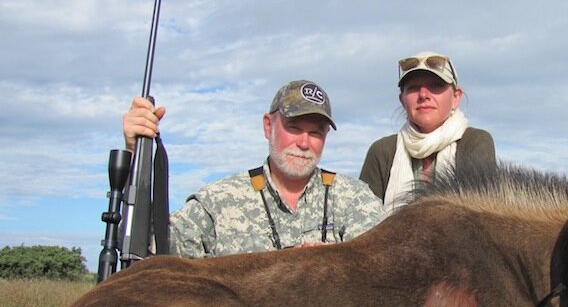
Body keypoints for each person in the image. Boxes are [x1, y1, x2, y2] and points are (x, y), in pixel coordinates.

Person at [123, 80, 386, 257]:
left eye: (316, 133)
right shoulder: (219, 202)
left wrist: (331, 263)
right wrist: (135, 153)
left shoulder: (355, 199)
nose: (304, 143)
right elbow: (154, 248)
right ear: (268, 127)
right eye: (293, 128)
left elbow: (386, 265)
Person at [359, 51, 496, 210]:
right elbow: (364, 221)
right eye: (413, 88)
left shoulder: (475, 141)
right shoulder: (382, 151)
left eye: (436, 86)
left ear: (456, 97)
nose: (423, 95)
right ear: (402, 100)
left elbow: (478, 215)